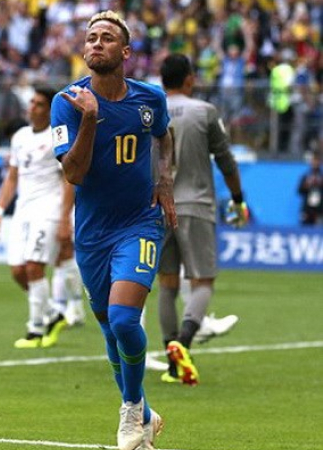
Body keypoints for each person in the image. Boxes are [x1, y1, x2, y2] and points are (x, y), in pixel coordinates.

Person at [50, 11, 176, 450]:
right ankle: (144, 412)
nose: (96, 43)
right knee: (108, 327)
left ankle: (129, 412)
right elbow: (74, 174)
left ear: (125, 53)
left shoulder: (150, 99)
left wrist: (164, 182)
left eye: (106, 38)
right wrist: (89, 118)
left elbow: (164, 136)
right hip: (92, 232)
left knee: (125, 319)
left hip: (139, 223)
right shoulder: (67, 102)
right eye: (91, 38)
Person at [157, 54, 247, 386]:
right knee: (203, 281)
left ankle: (171, 363)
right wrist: (238, 199)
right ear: (190, 79)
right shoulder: (204, 111)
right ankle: (184, 340)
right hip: (195, 203)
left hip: (159, 206)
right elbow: (226, 160)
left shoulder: (151, 111)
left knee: (166, 285)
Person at [0, 86, 81, 349]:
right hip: (23, 212)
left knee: (34, 267)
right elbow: (13, 176)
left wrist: (65, 218)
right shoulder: (19, 136)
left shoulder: (59, 137)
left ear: (50, 109)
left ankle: (35, 329)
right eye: (31, 103)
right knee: (18, 271)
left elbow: (69, 180)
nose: (32, 108)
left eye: (39, 104)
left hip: (48, 210)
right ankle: (53, 314)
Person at [297, 151, 322, 226]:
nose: (315, 163)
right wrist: (307, 185)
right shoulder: (306, 177)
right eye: (313, 161)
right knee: (304, 229)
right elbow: (299, 191)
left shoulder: (321, 177)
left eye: (317, 161)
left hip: (319, 210)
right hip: (307, 209)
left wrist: (319, 184)